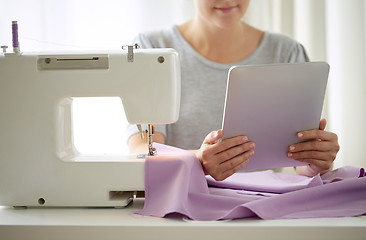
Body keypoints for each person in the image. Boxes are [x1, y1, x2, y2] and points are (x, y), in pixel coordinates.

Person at [127, 0, 340, 181]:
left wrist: (314, 164)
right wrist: (198, 161)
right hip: (183, 211)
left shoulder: (286, 52)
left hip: (263, 212)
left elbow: (299, 164)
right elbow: (141, 150)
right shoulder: (151, 48)